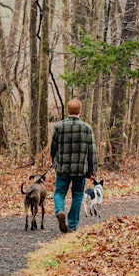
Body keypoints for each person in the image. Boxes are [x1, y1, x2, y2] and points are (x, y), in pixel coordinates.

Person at [50, 98, 97, 233]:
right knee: (77, 195)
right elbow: (92, 151)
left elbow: (53, 149)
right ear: (80, 111)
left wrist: (55, 161)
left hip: (63, 168)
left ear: (67, 111)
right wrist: (93, 170)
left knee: (59, 192)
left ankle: (60, 211)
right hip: (80, 169)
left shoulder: (58, 127)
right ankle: (72, 225)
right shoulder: (87, 128)